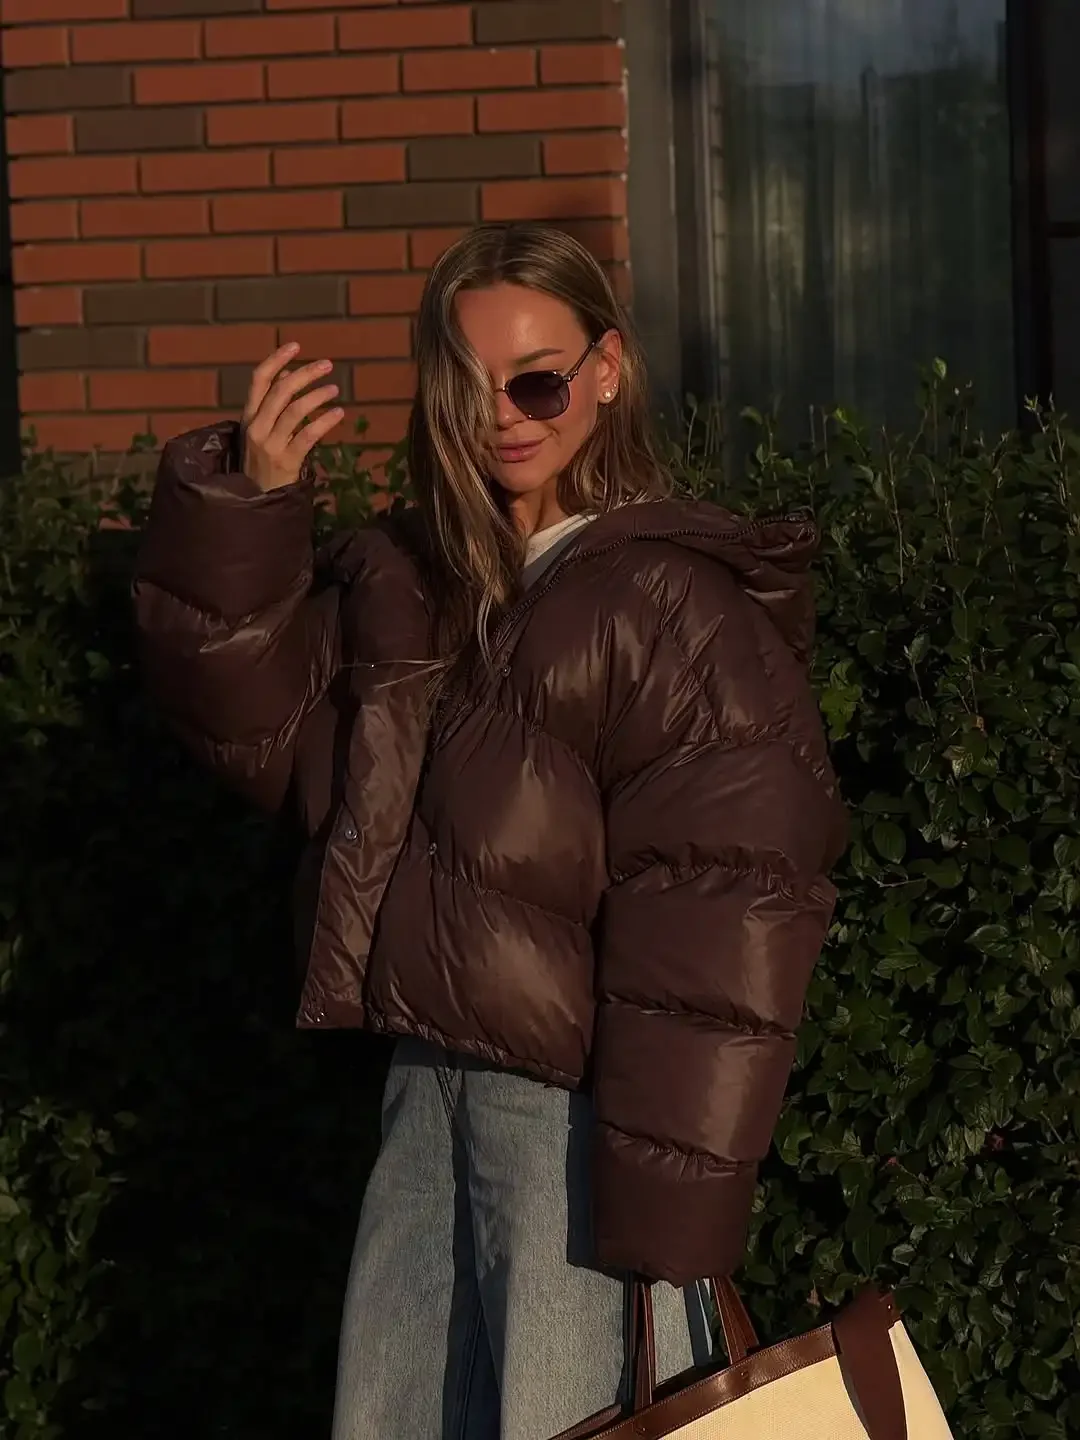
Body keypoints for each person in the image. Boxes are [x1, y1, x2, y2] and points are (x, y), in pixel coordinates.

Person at [134, 222, 846, 1439]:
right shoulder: (424, 587)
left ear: (606, 371)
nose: (505, 418)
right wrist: (251, 501)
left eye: (538, 381)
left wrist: (667, 1216)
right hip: (426, 1100)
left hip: (577, 1130)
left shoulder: (671, 604)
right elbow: (260, 731)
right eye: (470, 387)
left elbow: (727, 919)